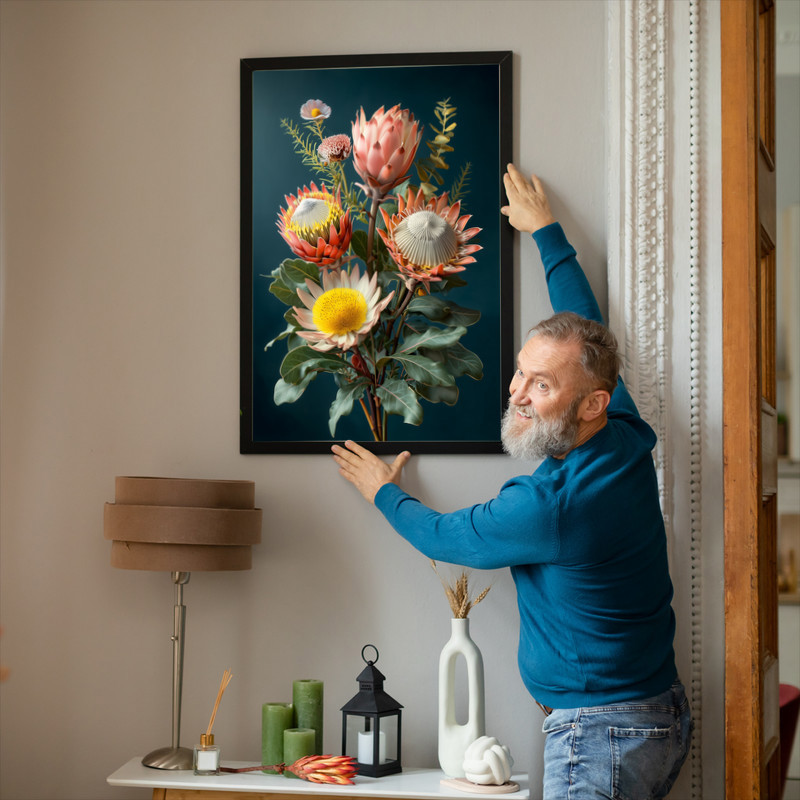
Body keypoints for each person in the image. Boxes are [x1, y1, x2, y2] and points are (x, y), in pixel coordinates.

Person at [331, 164, 692, 799]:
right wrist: (547, 232)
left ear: (590, 405)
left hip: (602, 737)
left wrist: (382, 491)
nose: (517, 394)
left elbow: (448, 537)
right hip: (650, 716)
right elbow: (584, 330)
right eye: (522, 373)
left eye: (540, 386)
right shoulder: (625, 437)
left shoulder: (550, 506)